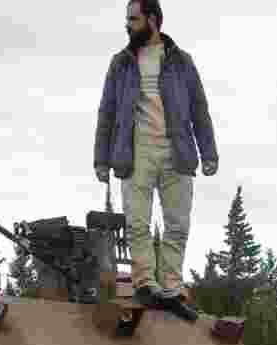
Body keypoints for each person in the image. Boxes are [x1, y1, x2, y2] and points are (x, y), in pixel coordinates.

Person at [93, 0, 218, 316]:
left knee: (177, 224)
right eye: (127, 19)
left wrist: (209, 153)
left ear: (152, 19)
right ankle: (145, 284)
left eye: (133, 19)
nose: (128, 25)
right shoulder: (120, 63)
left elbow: (199, 108)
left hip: (177, 150)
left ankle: (172, 288)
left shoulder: (181, 61)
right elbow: (106, 111)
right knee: (138, 222)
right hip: (135, 152)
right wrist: (101, 159)